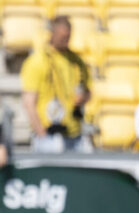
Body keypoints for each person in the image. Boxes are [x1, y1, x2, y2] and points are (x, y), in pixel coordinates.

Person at [20, 15, 93, 153]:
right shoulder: (38, 61)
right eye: (62, 37)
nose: (66, 41)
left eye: (68, 37)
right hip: (49, 134)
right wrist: (41, 134)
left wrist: (83, 97)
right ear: (52, 34)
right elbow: (29, 102)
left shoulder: (77, 61)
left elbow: (88, 92)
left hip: (75, 134)